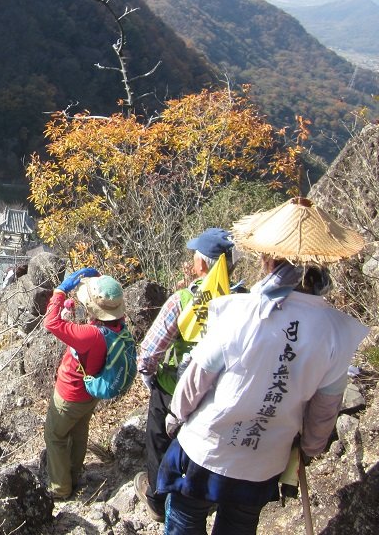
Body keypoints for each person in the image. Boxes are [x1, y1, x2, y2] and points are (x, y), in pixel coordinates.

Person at [157, 197, 367, 535]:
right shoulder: (338, 332)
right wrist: (310, 448)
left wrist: (176, 415)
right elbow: (325, 409)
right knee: (239, 524)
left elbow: (198, 376)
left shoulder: (239, 311)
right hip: (265, 457)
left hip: (206, 446)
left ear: (268, 260)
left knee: (185, 516)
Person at [135, 228, 235, 522]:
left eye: (195, 254)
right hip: (218, 392)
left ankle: (157, 498)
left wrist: (150, 378)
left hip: (175, 389)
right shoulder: (240, 298)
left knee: (159, 441)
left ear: (202, 264)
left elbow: (150, 351)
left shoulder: (184, 300)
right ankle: (202, 495)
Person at [42, 267, 127, 499]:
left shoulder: (90, 335)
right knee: (79, 431)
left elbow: (50, 322)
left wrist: (60, 291)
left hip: (70, 393)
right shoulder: (118, 326)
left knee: (55, 436)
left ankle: (60, 488)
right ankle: (75, 473)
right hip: (91, 391)